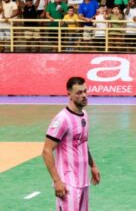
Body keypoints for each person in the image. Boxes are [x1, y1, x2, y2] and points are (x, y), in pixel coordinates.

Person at [42, 76, 101, 211]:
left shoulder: (84, 115)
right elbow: (46, 151)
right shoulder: (62, 119)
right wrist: (57, 181)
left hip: (83, 181)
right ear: (69, 94)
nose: (84, 95)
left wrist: (93, 166)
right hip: (68, 184)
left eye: (85, 91)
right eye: (79, 93)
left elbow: (83, 142)